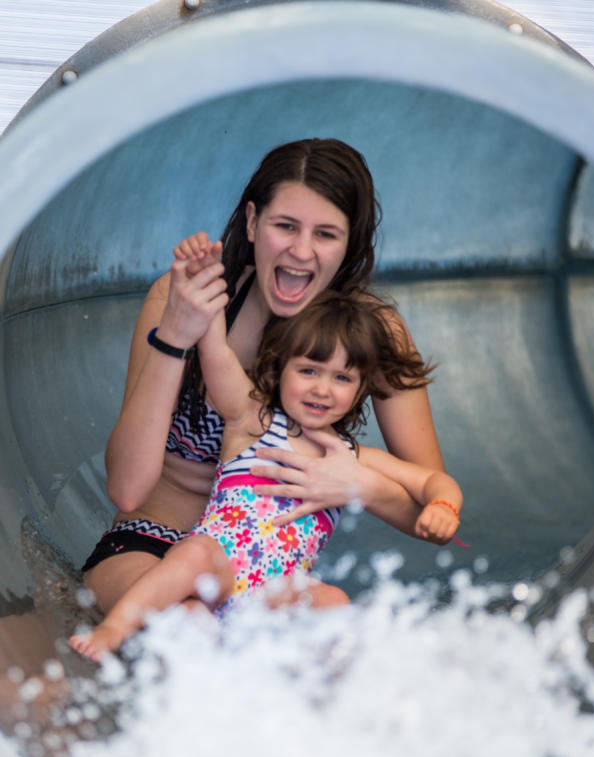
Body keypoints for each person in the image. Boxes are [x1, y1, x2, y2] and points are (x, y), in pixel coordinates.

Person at [80, 138, 447, 628]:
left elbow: (432, 511)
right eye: (285, 226)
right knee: (191, 627)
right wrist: (176, 337)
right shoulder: (190, 296)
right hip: (151, 546)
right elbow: (126, 489)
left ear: (351, 243)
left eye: (326, 234)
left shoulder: (368, 333)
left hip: (262, 574)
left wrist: (360, 484)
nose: (301, 251)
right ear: (253, 222)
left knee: (339, 630)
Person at [69, 290, 462, 660]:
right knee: (195, 552)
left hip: (276, 593)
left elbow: (429, 481)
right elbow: (217, 353)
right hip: (219, 570)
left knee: (334, 603)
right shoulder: (252, 419)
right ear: (280, 369)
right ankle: (114, 629)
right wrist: (207, 300)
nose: (323, 389)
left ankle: (325, 705)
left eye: (342, 378)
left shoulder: (354, 457)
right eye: (308, 370)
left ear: (360, 391)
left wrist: (445, 505)